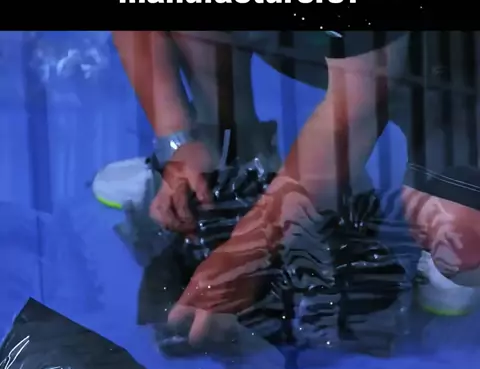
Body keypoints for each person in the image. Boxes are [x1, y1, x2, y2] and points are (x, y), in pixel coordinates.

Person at [93, 30, 480, 342]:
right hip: (330, 46)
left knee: (461, 245)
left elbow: (354, 114)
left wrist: (251, 249)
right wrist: (177, 141)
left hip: (446, 61)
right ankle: (232, 155)